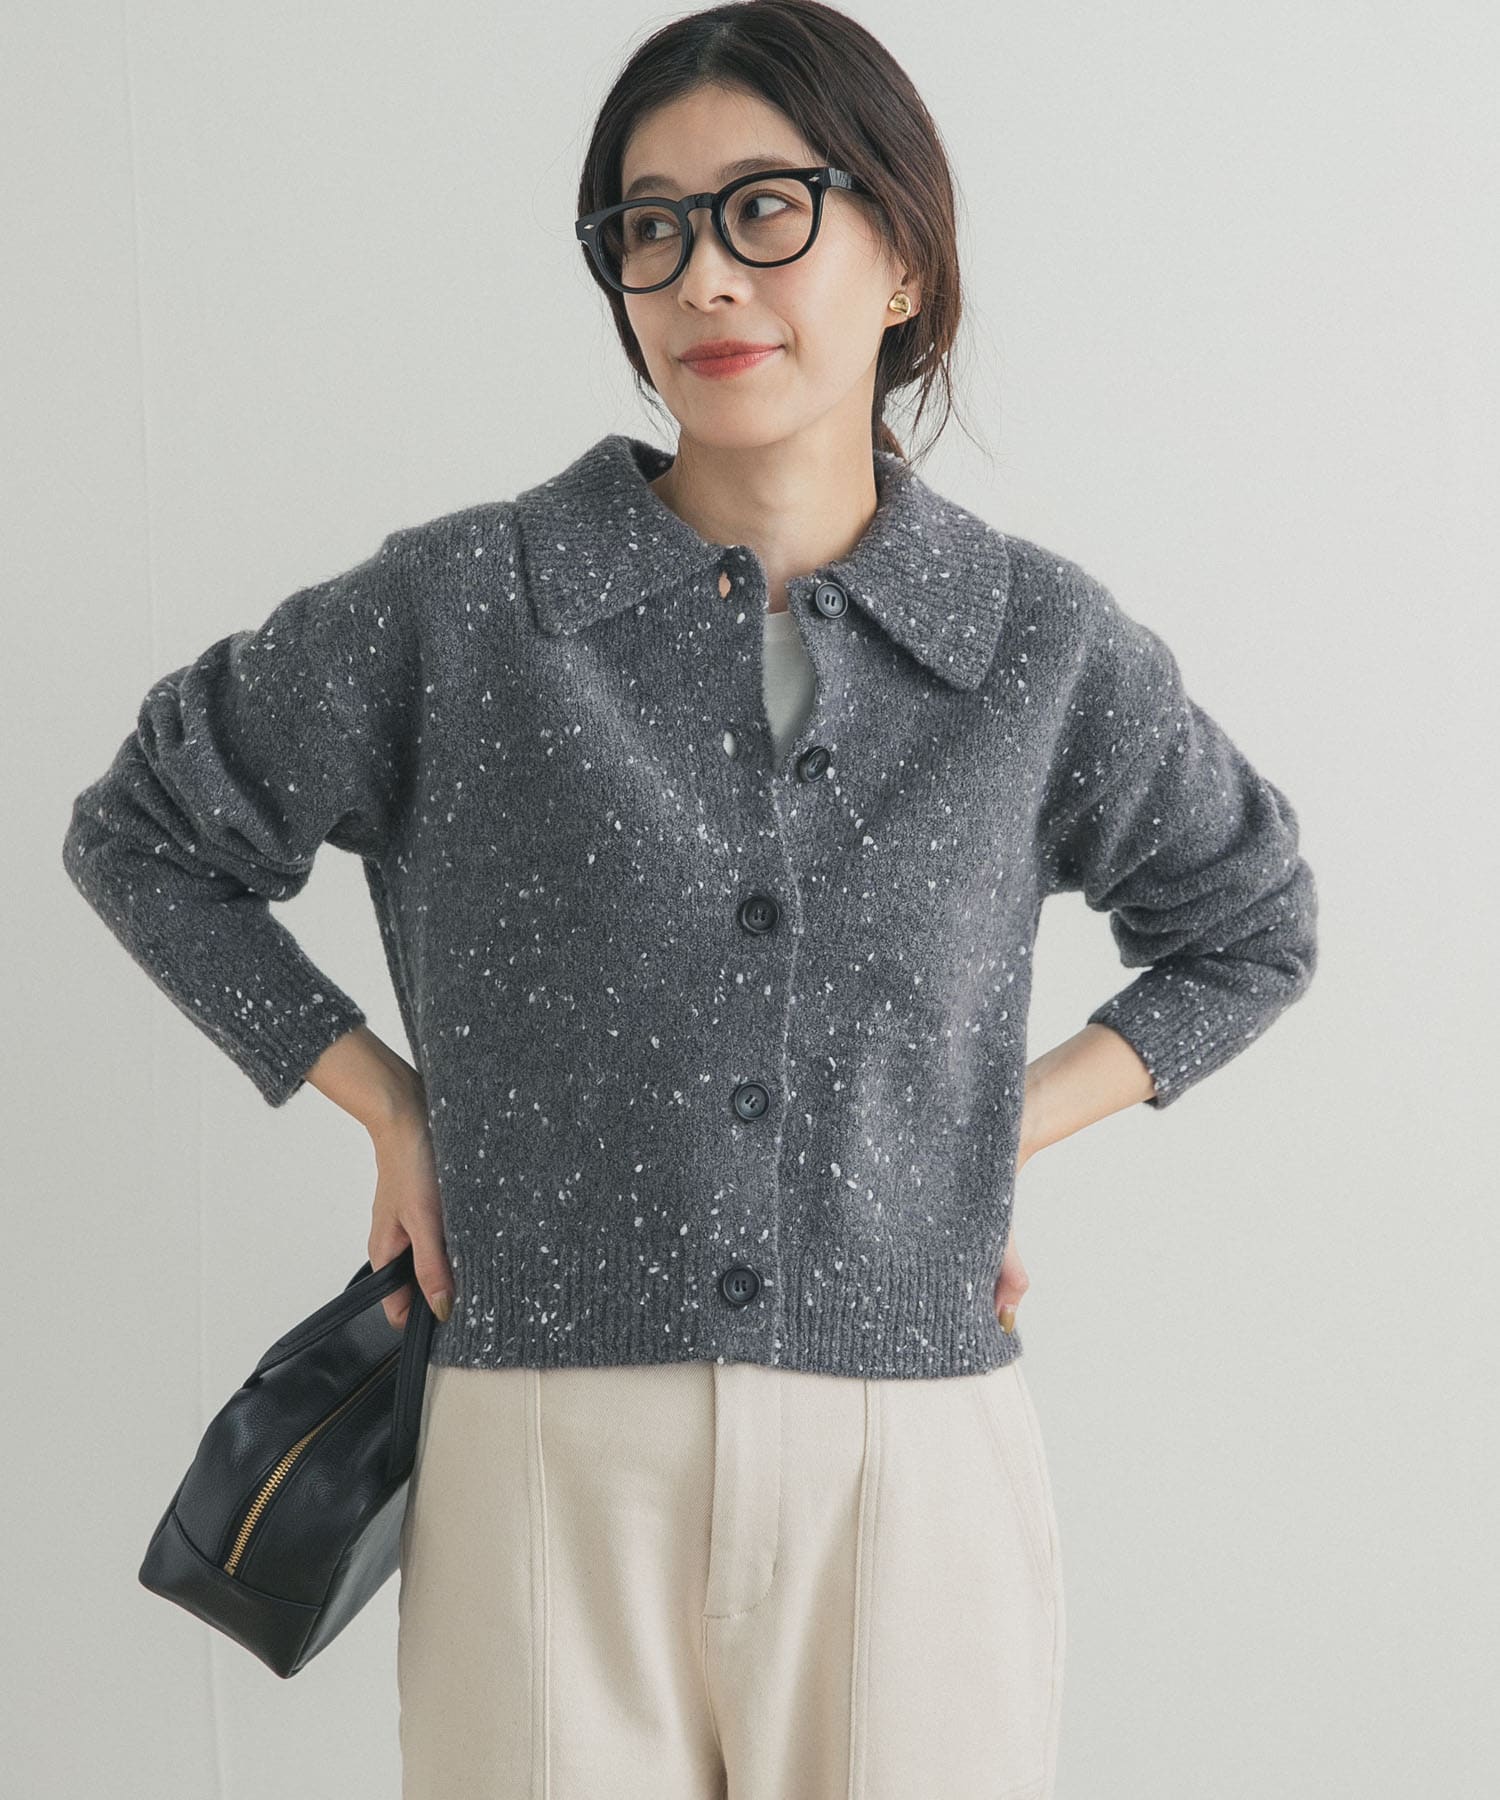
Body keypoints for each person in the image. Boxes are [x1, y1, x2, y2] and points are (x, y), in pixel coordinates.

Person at [61, 4, 1318, 1796]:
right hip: (544, 1447)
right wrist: (390, 1105)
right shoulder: (468, 608)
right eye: (648, 228)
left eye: (766, 210)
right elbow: (147, 834)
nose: (705, 277)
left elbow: (1250, 924)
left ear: (904, 258)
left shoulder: (1034, 643)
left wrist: (983, 1133)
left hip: (911, 1457)